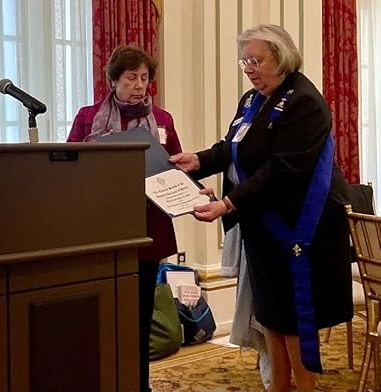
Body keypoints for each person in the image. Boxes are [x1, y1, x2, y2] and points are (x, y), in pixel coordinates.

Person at [170, 24, 352, 392]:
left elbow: (282, 169)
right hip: (263, 231)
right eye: (244, 62)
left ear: (281, 57)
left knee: (293, 319)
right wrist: (198, 161)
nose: (249, 68)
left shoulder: (303, 102)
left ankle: (304, 386)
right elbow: (232, 147)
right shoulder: (253, 100)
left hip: (298, 230)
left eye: (256, 60)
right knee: (271, 315)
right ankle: (280, 386)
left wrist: (227, 203)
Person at [67, 44, 182, 392]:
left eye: (144, 78)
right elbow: (68, 163)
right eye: (131, 77)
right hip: (102, 227)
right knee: (102, 313)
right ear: (114, 80)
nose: (138, 85)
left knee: (140, 312)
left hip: (148, 228)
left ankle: (139, 384)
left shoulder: (162, 120)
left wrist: (191, 189)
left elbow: (177, 164)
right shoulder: (89, 117)